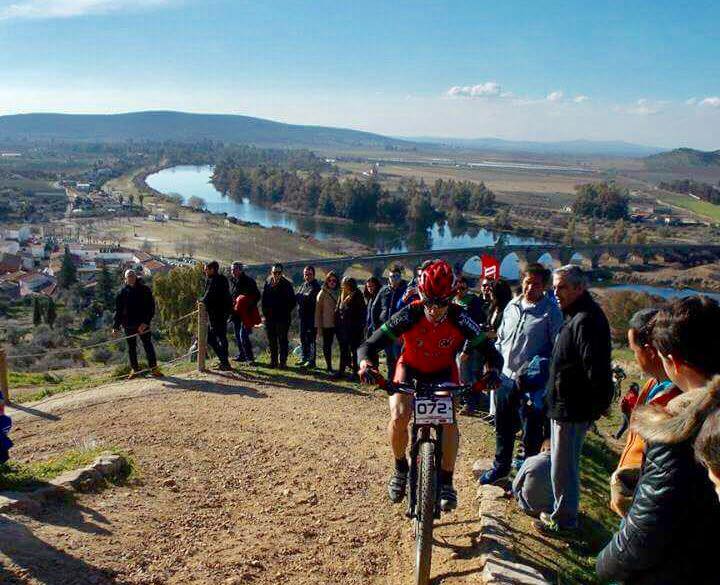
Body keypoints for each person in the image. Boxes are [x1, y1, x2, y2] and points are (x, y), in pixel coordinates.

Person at [359, 259, 500, 512]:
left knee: (448, 421)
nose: (434, 310)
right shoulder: (410, 313)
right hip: (410, 369)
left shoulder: (459, 317)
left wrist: (492, 371)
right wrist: (366, 365)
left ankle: (446, 481)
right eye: (429, 302)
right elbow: (368, 345)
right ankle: (400, 467)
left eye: (442, 303)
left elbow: (491, 353)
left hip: (443, 371)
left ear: (452, 298)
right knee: (400, 415)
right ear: (421, 295)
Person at [597, 296, 720, 584]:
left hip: (678, 568)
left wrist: (603, 564)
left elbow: (645, 532)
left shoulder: (677, 428)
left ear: (673, 362)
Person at [534, 265, 612, 536]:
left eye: (562, 287)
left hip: (573, 409)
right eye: (554, 287)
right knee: (560, 463)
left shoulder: (586, 320)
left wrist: (594, 407)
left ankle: (565, 520)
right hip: (565, 406)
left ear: (580, 288)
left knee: (564, 467)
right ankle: (562, 512)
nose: (555, 292)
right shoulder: (575, 315)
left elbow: (596, 369)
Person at [478, 263, 563, 485]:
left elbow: (556, 350)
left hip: (531, 383)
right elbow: (501, 339)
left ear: (544, 286)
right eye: (527, 282)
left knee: (530, 433)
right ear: (522, 282)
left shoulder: (551, 312)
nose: (530, 288)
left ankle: (526, 478)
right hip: (505, 377)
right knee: (503, 425)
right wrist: (492, 364)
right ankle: (500, 468)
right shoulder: (512, 306)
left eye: (536, 284)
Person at [609, 308, 681, 518]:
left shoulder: (675, 403)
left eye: (634, 350)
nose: (634, 355)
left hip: (648, 512)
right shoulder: (652, 386)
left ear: (649, 351)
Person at [113, 269, 162, 378]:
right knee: (131, 348)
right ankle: (135, 370)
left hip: (143, 325)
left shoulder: (145, 290)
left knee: (148, 346)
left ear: (136, 277)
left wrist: (145, 322)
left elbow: (151, 308)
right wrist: (115, 326)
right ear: (125, 279)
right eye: (128, 276)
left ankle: (154, 369)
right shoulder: (121, 293)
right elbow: (118, 311)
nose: (131, 278)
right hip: (128, 325)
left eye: (132, 275)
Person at [375, 265, 408, 378]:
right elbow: (375, 308)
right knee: (389, 358)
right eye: (391, 276)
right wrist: (376, 327)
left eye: (396, 276)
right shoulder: (384, 290)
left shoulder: (405, 291)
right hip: (385, 329)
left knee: (399, 357)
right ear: (388, 278)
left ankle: (400, 381)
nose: (394, 278)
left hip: (399, 331)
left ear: (400, 277)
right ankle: (390, 381)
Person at [261, 264, 296, 369]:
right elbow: (264, 300)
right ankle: (273, 361)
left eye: (278, 272)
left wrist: (284, 312)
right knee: (271, 340)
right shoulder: (268, 283)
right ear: (271, 273)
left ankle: (283, 362)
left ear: (282, 273)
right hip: (270, 318)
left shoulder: (287, 285)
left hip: (282, 318)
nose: (276, 274)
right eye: (274, 272)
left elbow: (292, 302)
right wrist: (265, 313)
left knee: (282, 340)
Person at [200, 261, 232, 371]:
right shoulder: (221, 279)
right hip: (222, 313)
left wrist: (201, 302)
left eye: (206, 269)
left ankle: (224, 361)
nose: (204, 271)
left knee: (212, 337)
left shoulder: (214, 280)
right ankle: (224, 361)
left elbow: (209, 295)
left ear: (212, 269)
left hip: (217, 314)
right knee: (221, 337)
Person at [229, 261, 261, 364]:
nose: (233, 272)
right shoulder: (233, 281)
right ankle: (242, 355)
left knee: (243, 335)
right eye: (232, 270)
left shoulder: (248, 281)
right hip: (236, 314)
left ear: (240, 270)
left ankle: (250, 358)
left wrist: (247, 303)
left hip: (247, 313)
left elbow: (257, 296)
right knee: (238, 336)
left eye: (234, 269)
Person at [335, 276, 366, 378]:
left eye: (346, 285)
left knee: (354, 351)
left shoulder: (357, 296)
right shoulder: (342, 294)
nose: (344, 287)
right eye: (343, 284)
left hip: (354, 329)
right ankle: (341, 371)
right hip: (343, 327)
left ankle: (355, 373)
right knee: (343, 350)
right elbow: (338, 309)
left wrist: (359, 327)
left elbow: (361, 313)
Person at [512, 444, 554, 518]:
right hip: (550, 509)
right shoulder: (561, 467)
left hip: (526, 506)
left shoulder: (530, 460)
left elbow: (515, 485)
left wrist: (517, 497)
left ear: (543, 449)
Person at [296, 265, 321, 368]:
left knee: (311, 339)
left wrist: (301, 297)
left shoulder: (316, 286)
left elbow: (308, 299)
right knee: (303, 338)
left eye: (309, 274)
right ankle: (304, 357)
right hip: (303, 317)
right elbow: (298, 297)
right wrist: (302, 297)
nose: (307, 276)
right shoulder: (303, 285)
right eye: (306, 274)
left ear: (313, 275)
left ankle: (311, 361)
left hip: (312, 318)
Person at [315, 271, 339, 373]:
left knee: (343, 345)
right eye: (329, 280)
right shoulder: (322, 293)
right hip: (327, 324)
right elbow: (318, 312)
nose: (332, 282)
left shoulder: (340, 292)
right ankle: (329, 367)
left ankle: (344, 366)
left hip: (339, 323)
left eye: (334, 280)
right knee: (327, 345)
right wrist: (319, 328)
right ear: (326, 281)